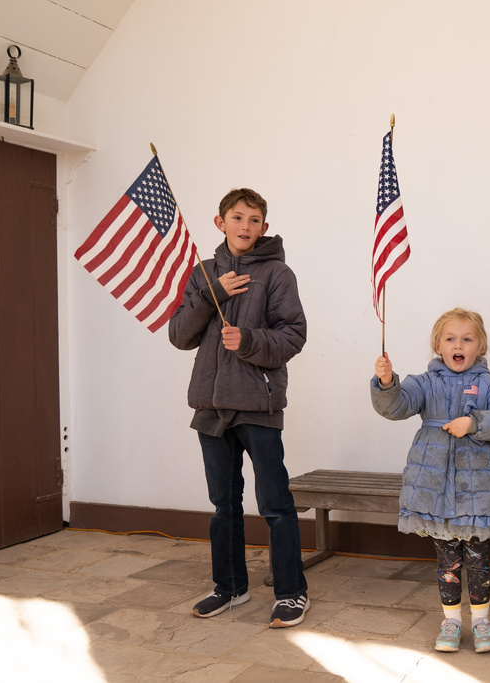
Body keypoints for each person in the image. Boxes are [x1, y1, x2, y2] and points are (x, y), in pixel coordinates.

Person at [169, 188, 309, 628]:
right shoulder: (204, 274)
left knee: (275, 503)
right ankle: (230, 587)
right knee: (223, 504)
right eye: (237, 217)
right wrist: (212, 296)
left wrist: (248, 341)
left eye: (253, 220)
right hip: (211, 406)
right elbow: (179, 335)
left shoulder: (278, 274)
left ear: (264, 228)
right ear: (220, 222)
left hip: (256, 405)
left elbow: (294, 336)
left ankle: (291, 592)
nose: (245, 226)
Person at [371, 308, 490, 654]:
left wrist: (474, 423)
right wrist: (386, 383)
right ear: (438, 346)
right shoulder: (424, 382)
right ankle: (452, 621)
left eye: (467, 339)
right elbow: (397, 406)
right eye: (450, 338)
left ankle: (481, 621)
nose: (459, 345)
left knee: (477, 558)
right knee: (447, 561)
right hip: (434, 485)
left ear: (479, 345)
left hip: (479, 491)